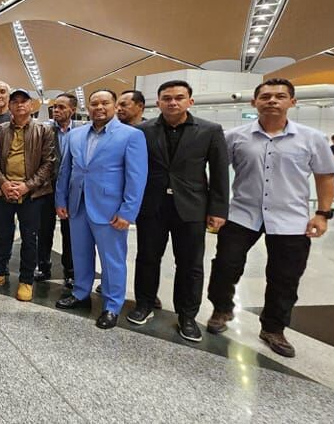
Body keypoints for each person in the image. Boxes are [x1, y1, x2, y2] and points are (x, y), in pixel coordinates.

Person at [206, 78, 334, 357]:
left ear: (292, 102)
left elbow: (325, 177)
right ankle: (222, 309)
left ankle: (273, 328)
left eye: (280, 96)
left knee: (285, 277)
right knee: (225, 266)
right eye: (265, 97)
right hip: (242, 214)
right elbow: (216, 173)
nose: (272, 101)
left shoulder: (311, 138)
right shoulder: (235, 137)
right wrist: (214, 207)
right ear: (254, 103)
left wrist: (323, 213)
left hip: (291, 219)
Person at [129, 80, 228, 342]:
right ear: (158, 102)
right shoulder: (143, 131)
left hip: (192, 207)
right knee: (147, 257)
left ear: (190, 101)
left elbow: (219, 173)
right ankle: (144, 304)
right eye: (167, 98)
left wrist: (218, 209)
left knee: (190, 264)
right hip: (153, 206)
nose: (173, 102)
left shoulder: (210, 130)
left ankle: (187, 316)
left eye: (179, 98)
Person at [55, 89, 147, 329]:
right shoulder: (75, 135)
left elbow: (136, 177)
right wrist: (61, 200)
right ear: (88, 106)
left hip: (110, 210)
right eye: (94, 103)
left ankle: (112, 305)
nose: (99, 107)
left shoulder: (131, 136)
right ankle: (81, 292)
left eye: (105, 103)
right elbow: (66, 170)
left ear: (115, 106)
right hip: (78, 205)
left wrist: (128, 212)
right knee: (81, 254)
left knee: (112, 260)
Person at [0, 88, 56, 300]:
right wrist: (4, 184)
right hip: (3, 191)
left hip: (32, 194)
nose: (19, 105)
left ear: (31, 105)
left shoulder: (43, 131)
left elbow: (48, 164)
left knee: (29, 237)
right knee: (2, 234)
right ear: (10, 106)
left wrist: (26, 186)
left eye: (24, 101)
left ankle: (26, 280)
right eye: (14, 102)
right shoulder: (0, 130)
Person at [36, 92, 77, 288]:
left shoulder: (81, 133)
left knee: (70, 233)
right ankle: (43, 266)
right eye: (55, 107)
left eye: (61, 107)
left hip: (70, 191)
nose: (56, 110)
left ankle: (70, 271)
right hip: (46, 188)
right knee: (44, 230)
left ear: (73, 110)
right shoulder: (44, 131)